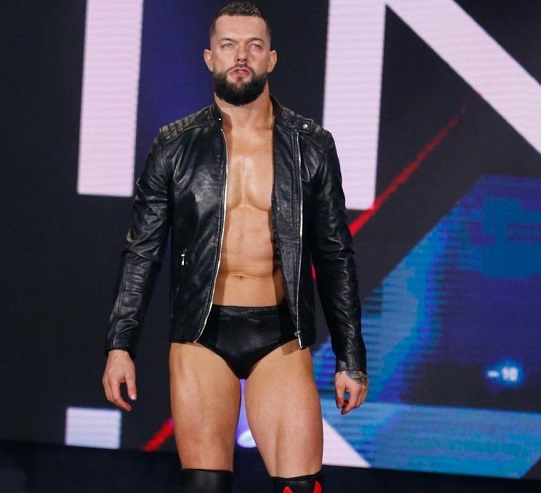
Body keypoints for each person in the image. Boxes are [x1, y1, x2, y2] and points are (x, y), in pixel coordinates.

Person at [102, 2, 369, 492]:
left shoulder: (311, 145)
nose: (240, 56)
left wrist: (350, 356)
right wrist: (121, 345)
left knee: (301, 487)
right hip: (201, 335)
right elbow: (142, 252)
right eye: (228, 45)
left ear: (271, 58)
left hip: (280, 333)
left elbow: (334, 256)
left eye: (253, 46)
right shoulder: (174, 146)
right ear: (210, 58)